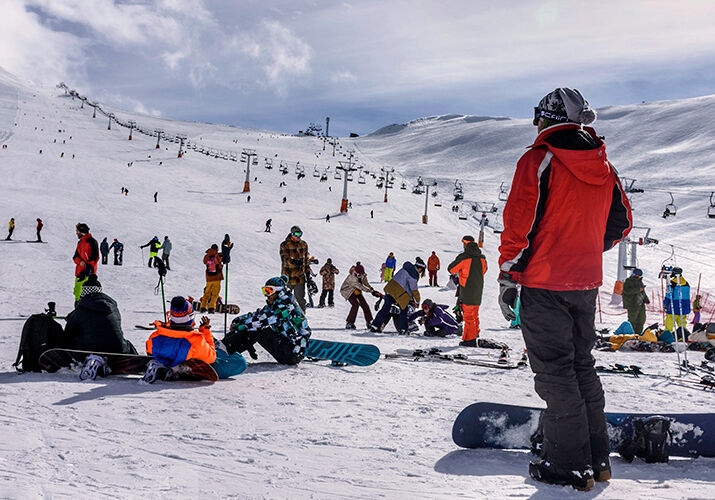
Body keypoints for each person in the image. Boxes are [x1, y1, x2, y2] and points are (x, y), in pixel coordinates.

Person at [498, 88, 632, 489]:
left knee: (555, 374)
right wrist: (585, 246)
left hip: (545, 281)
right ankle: (596, 460)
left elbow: (519, 223)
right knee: (581, 367)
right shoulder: (604, 166)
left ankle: (569, 466)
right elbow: (621, 223)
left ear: (545, 118)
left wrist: (508, 276)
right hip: (585, 283)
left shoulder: (539, 159)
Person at [143, 296, 246, 382]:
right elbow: (211, 357)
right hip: (198, 359)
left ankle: (167, 367)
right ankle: (178, 369)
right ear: (191, 317)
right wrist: (205, 332)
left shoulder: (156, 335)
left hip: (172, 354)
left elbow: (149, 350)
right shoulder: (196, 340)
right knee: (239, 361)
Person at [223, 276, 311, 365]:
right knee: (253, 325)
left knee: (258, 328)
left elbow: (261, 321)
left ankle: (225, 351)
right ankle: (223, 346)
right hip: (287, 347)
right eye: (265, 291)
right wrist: (238, 320)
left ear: (279, 292)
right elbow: (257, 315)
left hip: (292, 354)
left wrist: (238, 326)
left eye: (269, 291)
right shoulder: (275, 305)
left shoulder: (286, 307)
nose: (266, 295)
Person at [64, 274, 138, 378]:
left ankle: (94, 360)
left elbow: (68, 334)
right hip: (117, 349)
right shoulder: (113, 307)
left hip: (87, 349)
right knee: (125, 343)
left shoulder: (80, 310)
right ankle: (131, 361)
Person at [448, 235, 487, 347]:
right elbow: (484, 270)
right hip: (478, 290)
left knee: (468, 315)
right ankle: (475, 333)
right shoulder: (482, 258)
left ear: (465, 244)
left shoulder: (464, 257)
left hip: (467, 290)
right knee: (474, 314)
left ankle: (469, 339)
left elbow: (451, 269)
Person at [371, 257, 426, 334]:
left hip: (390, 290)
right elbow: (414, 290)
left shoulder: (404, 270)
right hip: (399, 294)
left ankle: (375, 325)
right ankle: (403, 329)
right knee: (404, 311)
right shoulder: (413, 274)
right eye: (421, 270)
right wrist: (417, 302)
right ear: (419, 268)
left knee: (385, 309)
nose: (420, 273)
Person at [279, 225, 310, 312]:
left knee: (300, 299)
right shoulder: (285, 245)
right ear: (292, 234)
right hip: (288, 277)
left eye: (300, 234)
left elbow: (306, 261)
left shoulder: (303, 244)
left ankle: (301, 318)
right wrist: (294, 262)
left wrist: (308, 275)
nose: (298, 236)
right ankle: (283, 318)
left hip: (300, 278)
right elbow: (284, 259)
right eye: (296, 234)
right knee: (285, 299)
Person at [340, 264, 380, 329]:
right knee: (355, 304)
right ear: (355, 273)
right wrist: (371, 291)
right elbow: (361, 286)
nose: (360, 276)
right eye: (359, 275)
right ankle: (349, 323)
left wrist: (372, 290)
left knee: (365, 305)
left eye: (361, 274)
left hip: (356, 290)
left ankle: (369, 322)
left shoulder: (363, 275)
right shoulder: (352, 278)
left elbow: (365, 283)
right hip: (347, 290)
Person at [73, 223, 99, 305]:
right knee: (77, 291)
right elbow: (75, 257)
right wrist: (80, 262)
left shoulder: (92, 242)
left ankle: (86, 311)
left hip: (88, 273)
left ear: (82, 231)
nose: (76, 233)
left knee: (87, 293)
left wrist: (88, 270)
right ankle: (77, 309)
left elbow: (95, 258)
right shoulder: (80, 242)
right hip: (79, 272)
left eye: (77, 231)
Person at [663, 269, 690, 336]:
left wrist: (665, 304)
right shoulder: (686, 284)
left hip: (673, 306)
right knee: (682, 323)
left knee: (669, 323)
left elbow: (669, 295)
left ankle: (668, 336)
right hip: (683, 306)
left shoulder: (672, 283)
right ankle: (682, 336)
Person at [621, 268, 648, 335]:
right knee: (632, 321)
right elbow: (627, 291)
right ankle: (630, 335)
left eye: (640, 276)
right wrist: (638, 290)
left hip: (640, 304)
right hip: (632, 304)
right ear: (634, 275)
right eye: (637, 276)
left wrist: (646, 299)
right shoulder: (628, 281)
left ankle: (638, 334)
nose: (638, 278)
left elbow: (642, 292)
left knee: (641, 320)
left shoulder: (640, 281)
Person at [200, 244, 223, 313]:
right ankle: (211, 308)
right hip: (217, 277)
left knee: (207, 293)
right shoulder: (218, 255)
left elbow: (204, 262)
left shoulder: (207, 256)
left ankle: (203, 307)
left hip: (209, 277)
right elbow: (223, 259)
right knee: (215, 294)